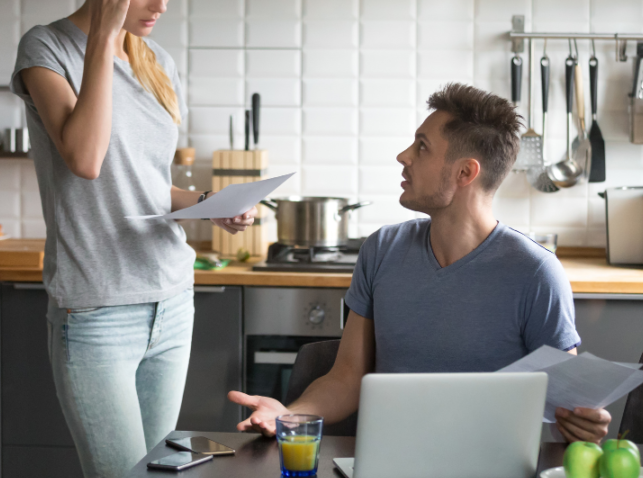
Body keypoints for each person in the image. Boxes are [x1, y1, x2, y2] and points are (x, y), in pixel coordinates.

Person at [9, 0, 257, 478]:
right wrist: (103, 38)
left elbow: (143, 183)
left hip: (171, 300)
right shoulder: (46, 51)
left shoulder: (157, 63)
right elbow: (86, 159)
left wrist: (205, 201)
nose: (161, 4)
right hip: (96, 312)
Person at [228, 83, 611, 444]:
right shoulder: (383, 249)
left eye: (422, 147)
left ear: (465, 172)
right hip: (388, 459)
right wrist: (288, 416)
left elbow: (568, 404)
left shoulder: (535, 272)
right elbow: (347, 378)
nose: (404, 157)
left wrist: (582, 422)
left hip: (493, 473)